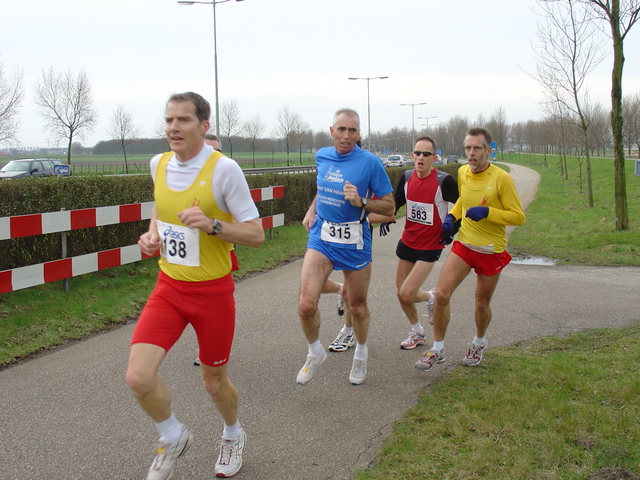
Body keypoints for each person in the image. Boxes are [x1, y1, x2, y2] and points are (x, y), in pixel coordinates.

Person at [126, 92, 264, 479]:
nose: (173, 127)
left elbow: (256, 234)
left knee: (213, 382)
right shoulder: (159, 164)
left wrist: (213, 225)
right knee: (138, 377)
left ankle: (233, 435)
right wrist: (152, 235)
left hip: (212, 294)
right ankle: (172, 437)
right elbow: (161, 207)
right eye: (169, 120)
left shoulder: (224, 170)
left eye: (183, 120)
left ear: (204, 126)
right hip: (168, 287)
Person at [297, 108, 394, 386]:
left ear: (359, 134)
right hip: (322, 237)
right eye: (341, 129)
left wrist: (362, 202)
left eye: (352, 130)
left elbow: (389, 206)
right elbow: (322, 185)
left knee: (358, 305)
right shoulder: (322, 156)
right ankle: (315, 352)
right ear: (332, 131)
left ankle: (361, 354)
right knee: (305, 303)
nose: (346, 135)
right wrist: (312, 208)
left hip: (355, 241)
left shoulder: (370, 163)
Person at [415, 127, 525, 372]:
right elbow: (463, 200)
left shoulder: (501, 178)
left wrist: (488, 212)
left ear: (488, 150)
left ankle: (478, 341)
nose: (471, 153)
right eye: (468, 148)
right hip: (464, 243)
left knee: (481, 303)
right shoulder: (463, 171)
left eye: (477, 148)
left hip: (490, 249)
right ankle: (438, 349)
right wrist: (451, 219)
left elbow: (518, 217)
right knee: (442, 294)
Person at [378, 137, 459, 350]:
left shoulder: (444, 181)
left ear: (434, 158)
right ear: (412, 155)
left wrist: (452, 230)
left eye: (426, 154)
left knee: (407, 293)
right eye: (417, 153)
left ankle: (430, 297)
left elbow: (461, 205)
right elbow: (397, 201)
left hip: (431, 245)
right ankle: (417, 332)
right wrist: (389, 216)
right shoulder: (405, 177)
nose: (421, 157)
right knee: (401, 293)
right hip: (408, 241)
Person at [193, 132, 232, 367]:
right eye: (207, 150)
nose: (211, 156)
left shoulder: (227, 176)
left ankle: (209, 347)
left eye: (216, 151)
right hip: (189, 252)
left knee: (212, 299)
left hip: (219, 249)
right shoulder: (184, 177)